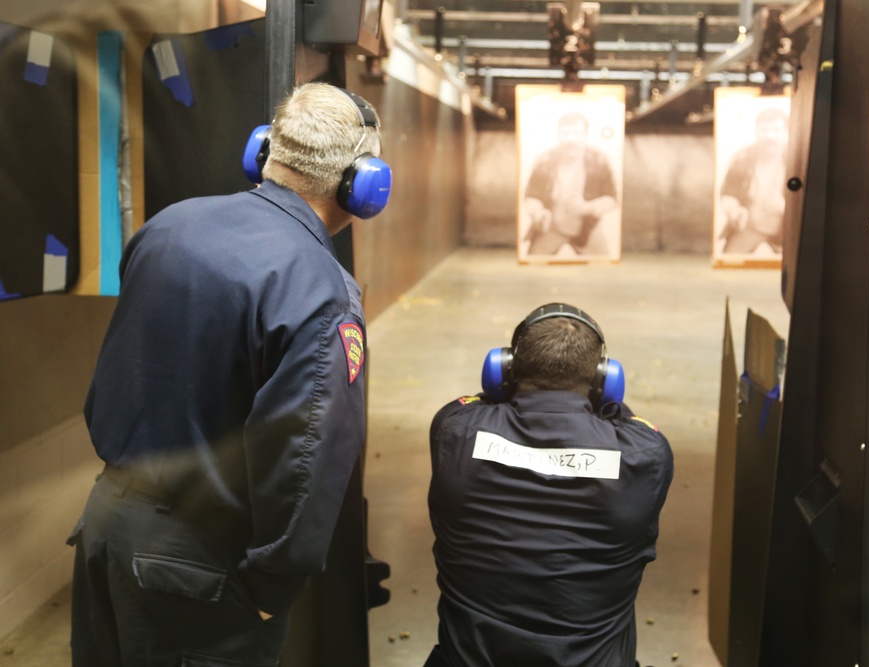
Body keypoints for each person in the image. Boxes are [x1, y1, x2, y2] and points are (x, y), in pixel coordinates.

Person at [68, 82, 388, 666]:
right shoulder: (320, 288)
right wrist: (274, 585)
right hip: (198, 566)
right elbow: (308, 454)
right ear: (361, 184)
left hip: (105, 525)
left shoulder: (169, 226)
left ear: (265, 151)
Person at [425, 303, 674, 666]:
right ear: (605, 381)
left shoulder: (455, 430)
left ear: (503, 370)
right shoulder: (644, 454)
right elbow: (628, 423)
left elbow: (474, 406)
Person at [522, 112, 619, 256]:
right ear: (558, 134)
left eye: (577, 133)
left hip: (588, 229)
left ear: (585, 135)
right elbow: (531, 196)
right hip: (552, 228)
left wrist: (587, 208)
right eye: (566, 133)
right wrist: (539, 213)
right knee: (533, 263)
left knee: (603, 267)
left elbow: (611, 199)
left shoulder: (599, 161)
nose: (571, 139)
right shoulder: (544, 161)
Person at [717, 106, 789, 255]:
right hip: (750, 227)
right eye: (764, 130)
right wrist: (735, 210)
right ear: (756, 132)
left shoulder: (798, 159)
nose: (770, 136)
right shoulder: (742, 158)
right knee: (730, 259)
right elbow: (728, 193)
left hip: (788, 228)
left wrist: (786, 207)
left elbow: (813, 200)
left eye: (776, 130)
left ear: (785, 132)